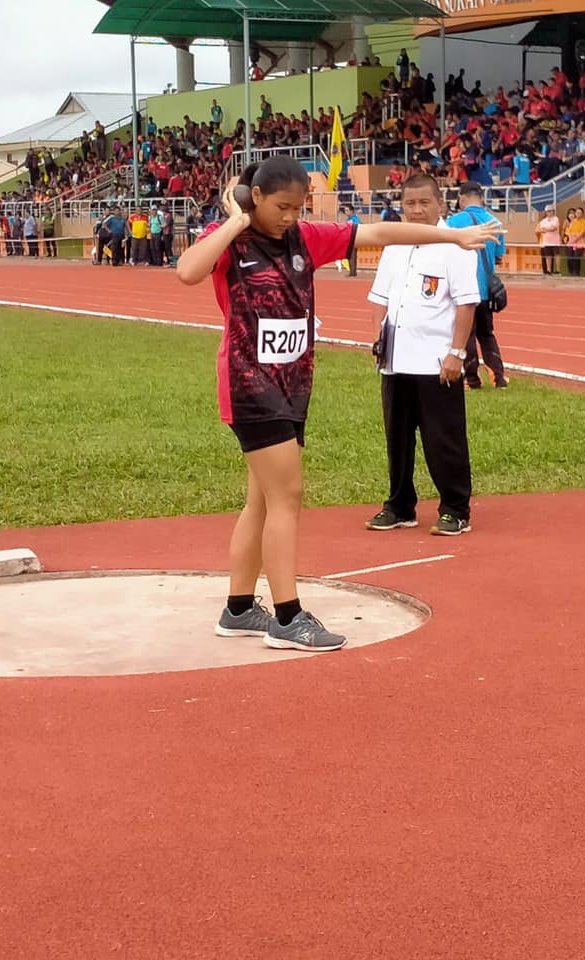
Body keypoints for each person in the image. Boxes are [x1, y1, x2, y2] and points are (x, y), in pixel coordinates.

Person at [176, 156, 499, 652]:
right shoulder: (231, 240)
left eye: (298, 207)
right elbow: (188, 271)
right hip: (250, 387)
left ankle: (238, 609)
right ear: (254, 197)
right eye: (281, 207)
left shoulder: (306, 238)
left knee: (262, 500)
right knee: (288, 497)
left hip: (292, 385)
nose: (290, 217)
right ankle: (287, 617)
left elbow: (379, 233)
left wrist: (451, 237)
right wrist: (236, 222)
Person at [365, 174, 485, 538]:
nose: (417, 210)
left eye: (424, 203)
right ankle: (400, 505)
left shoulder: (455, 246)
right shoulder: (395, 245)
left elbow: (466, 304)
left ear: (440, 204)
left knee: (443, 438)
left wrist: (456, 354)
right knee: (397, 439)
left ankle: (455, 509)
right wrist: (377, 339)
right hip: (396, 361)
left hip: (436, 363)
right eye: (410, 204)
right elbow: (380, 298)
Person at [447, 181, 508, 389]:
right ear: (481, 197)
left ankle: (472, 379)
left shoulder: (453, 222)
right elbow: (498, 257)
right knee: (487, 334)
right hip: (486, 289)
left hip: (463, 288)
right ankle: (498, 377)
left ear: (461, 197)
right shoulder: (495, 222)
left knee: (467, 334)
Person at [535, 204, 561, 275]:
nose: (550, 212)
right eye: (548, 211)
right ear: (546, 212)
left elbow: (554, 228)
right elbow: (541, 229)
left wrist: (546, 229)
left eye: (551, 211)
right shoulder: (543, 221)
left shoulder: (556, 219)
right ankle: (549, 270)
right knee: (548, 256)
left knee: (557, 255)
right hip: (546, 241)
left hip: (555, 241)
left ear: (553, 211)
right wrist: (548, 229)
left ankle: (558, 270)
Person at [563, 206, 585, 277]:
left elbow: (582, 232)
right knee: (570, 257)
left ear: (582, 214)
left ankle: (577, 272)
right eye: (577, 212)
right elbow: (569, 231)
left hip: (579, 242)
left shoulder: (583, 221)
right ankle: (570, 272)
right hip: (571, 242)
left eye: (580, 213)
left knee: (576, 257)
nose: (578, 214)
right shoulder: (573, 221)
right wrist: (571, 238)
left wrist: (575, 238)